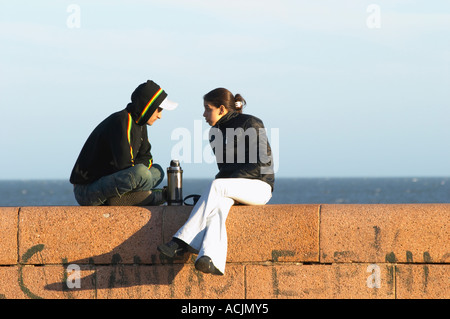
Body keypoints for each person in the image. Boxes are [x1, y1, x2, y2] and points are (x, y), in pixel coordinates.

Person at [158, 88, 275, 275]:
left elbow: (260, 167)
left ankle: (182, 241)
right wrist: (210, 197)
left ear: (221, 109)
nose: (203, 114)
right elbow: (224, 171)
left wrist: (223, 186)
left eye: (207, 108)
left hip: (260, 186)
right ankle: (210, 259)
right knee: (218, 206)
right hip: (233, 188)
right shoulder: (214, 133)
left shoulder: (251, 123)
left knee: (217, 186)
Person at [70, 80, 178, 206]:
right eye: (158, 110)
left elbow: (146, 158)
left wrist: (141, 172)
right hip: (87, 191)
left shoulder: (140, 124)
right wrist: (140, 173)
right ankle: (145, 197)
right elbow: (123, 166)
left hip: (116, 181)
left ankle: (134, 197)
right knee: (142, 173)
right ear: (148, 107)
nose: (160, 116)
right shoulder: (122, 121)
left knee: (158, 171)